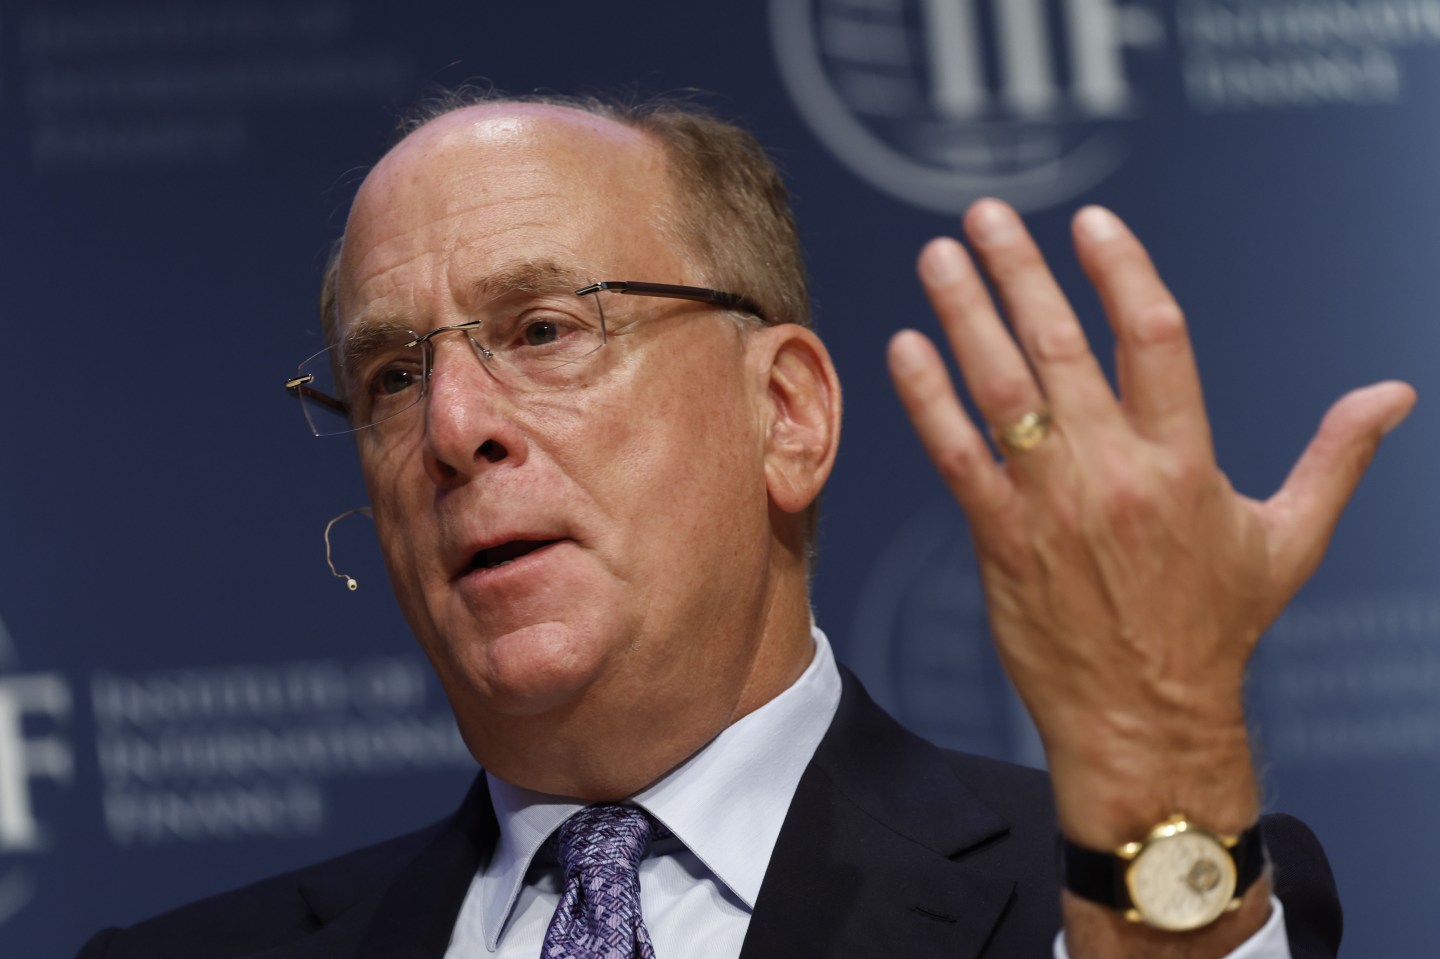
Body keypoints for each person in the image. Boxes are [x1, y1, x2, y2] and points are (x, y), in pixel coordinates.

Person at [76, 92, 1415, 959]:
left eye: (544, 329)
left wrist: (1161, 759)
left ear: (787, 415)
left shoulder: (1094, 892)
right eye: (391, 376)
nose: (452, 429)